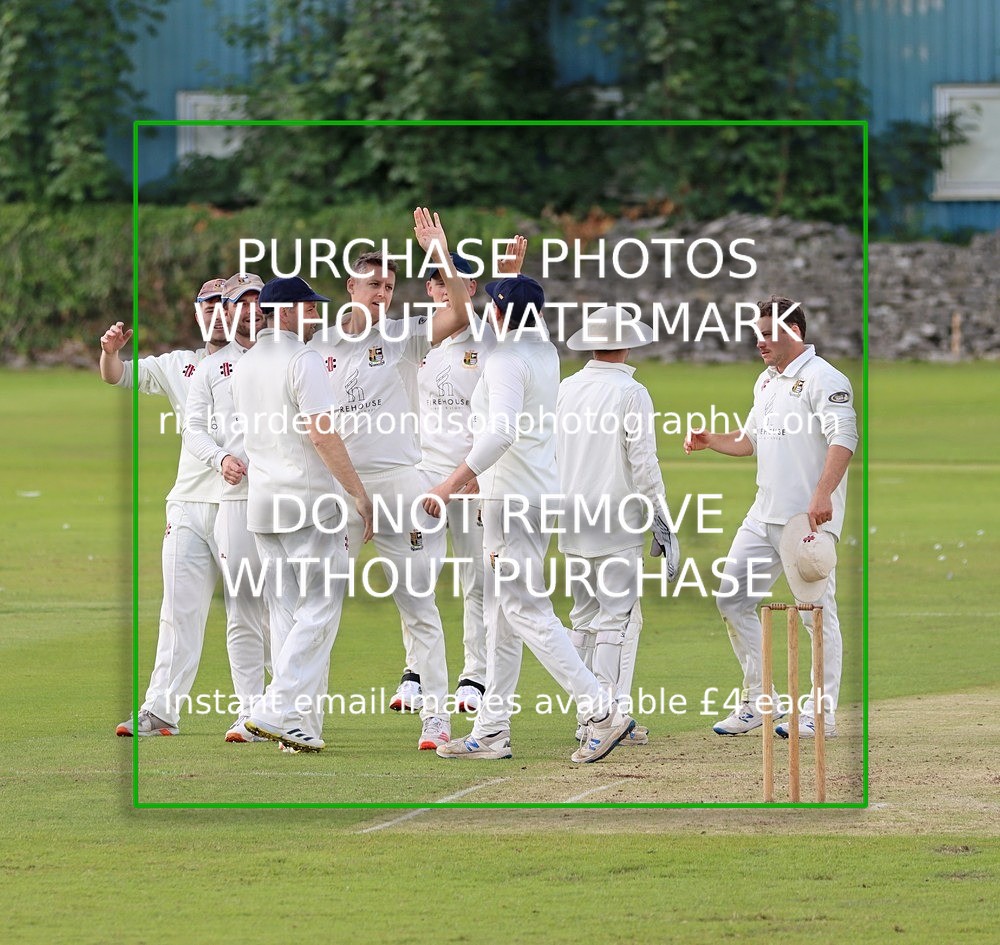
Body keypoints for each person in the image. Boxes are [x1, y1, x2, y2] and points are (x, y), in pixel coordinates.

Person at [424, 275, 636, 764]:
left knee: (524, 610)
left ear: (498, 314)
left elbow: (501, 430)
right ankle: (491, 730)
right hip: (535, 496)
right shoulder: (543, 350)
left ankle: (601, 710)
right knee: (500, 619)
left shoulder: (505, 360)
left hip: (509, 503)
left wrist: (451, 483)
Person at [307, 208, 482, 751]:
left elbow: (459, 310)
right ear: (350, 286)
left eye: (389, 285)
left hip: (399, 486)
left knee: (417, 603)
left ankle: (435, 718)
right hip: (341, 491)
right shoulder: (318, 347)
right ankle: (303, 719)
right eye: (372, 283)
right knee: (319, 604)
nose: (382, 292)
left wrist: (439, 251)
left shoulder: (406, 336)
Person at [684, 295, 857, 738]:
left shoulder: (824, 378)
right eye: (756, 333)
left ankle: (820, 714)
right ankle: (761, 702)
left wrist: (823, 495)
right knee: (732, 600)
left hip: (808, 520)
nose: (759, 342)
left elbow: (845, 438)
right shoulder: (765, 382)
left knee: (814, 613)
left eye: (767, 334)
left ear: (793, 332)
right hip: (762, 516)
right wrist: (710, 441)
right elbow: (750, 441)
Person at [231, 276, 373, 752]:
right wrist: (357, 492)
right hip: (309, 503)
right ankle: (275, 706)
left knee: (287, 615)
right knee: (320, 611)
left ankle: (298, 728)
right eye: (309, 308)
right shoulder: (303, 358)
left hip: (264, 506)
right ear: (286, 311)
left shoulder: (246, 361)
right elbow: (323, 434)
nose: (315, 315)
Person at [404, 239, 527, 714]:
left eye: (451, 278)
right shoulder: (418, 340)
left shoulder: (487, 335)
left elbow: (517, 323)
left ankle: (474, 677)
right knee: (418, 574)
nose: (441, 286)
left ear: (470, 286)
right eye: (434, 278)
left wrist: (511, 277)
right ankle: (414, 670)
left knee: (478, 578)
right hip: (425, 472)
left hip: (476, 474)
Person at [103, 278, 229, 737]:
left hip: (243, 504)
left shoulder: (259, 362)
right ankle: (160, 711)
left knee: (258, 613)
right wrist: (110, 351)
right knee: (178, 610)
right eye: (207, 307)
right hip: (187, 505)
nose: (217, 314)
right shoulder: (180, 365)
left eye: (224, 305)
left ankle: (274, 709)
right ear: (197, 314)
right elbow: (116, 376)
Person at [557, 305, 679, 746]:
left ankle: (589, 716)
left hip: (570, 519)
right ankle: (607, 717)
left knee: (583, 619)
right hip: (615, 522)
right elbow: (643, 461)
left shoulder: (566, 388)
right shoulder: (632, 393)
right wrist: (662, 517)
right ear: (626, 344)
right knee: (615, 622)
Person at [182, 271, 270, 742]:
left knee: (288, 606)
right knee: (243, 607)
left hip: (287, 496)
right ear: (228, 311)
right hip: (235, 497)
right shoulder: (212, 368)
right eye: (241, 303)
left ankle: (291, 707)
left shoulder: (292, 356)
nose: (250, 311)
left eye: (258, 302)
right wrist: (221, 459)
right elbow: (192, 428)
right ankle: (251, 712)